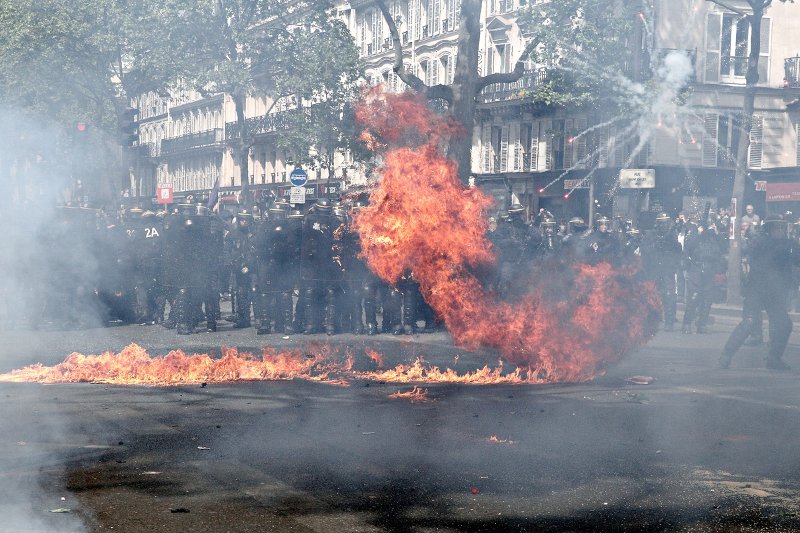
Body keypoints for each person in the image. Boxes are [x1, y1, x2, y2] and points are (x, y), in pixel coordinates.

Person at [720, 216, 798, 370]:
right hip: (757, 290)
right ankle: (726, 355)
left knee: (784, 324)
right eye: (777, 227)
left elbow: (796, 260)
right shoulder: (760, 242)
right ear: (768, 229)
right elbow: (749, 251)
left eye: (782, 228)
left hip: (775, 292)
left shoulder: (788, 244)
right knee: (750, 321)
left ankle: (774, 358)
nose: (780, 231)